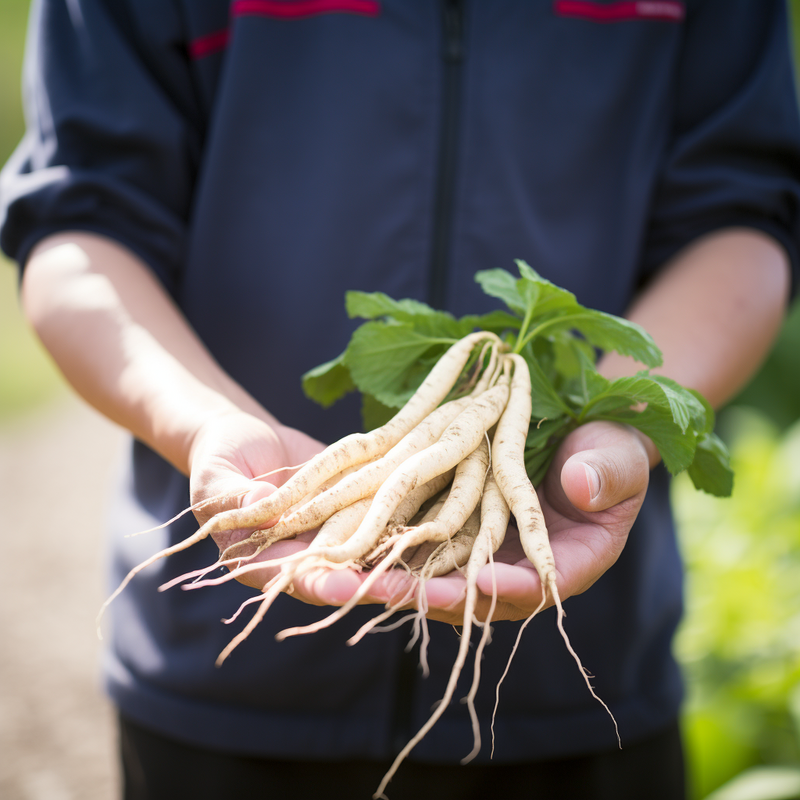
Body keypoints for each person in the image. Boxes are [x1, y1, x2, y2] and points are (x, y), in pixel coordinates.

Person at [2, 1, 799, 798]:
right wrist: (207, 424)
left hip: (575, 687)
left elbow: (741, 211)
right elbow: (82, 214)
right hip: (218, 686)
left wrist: (615, 420)